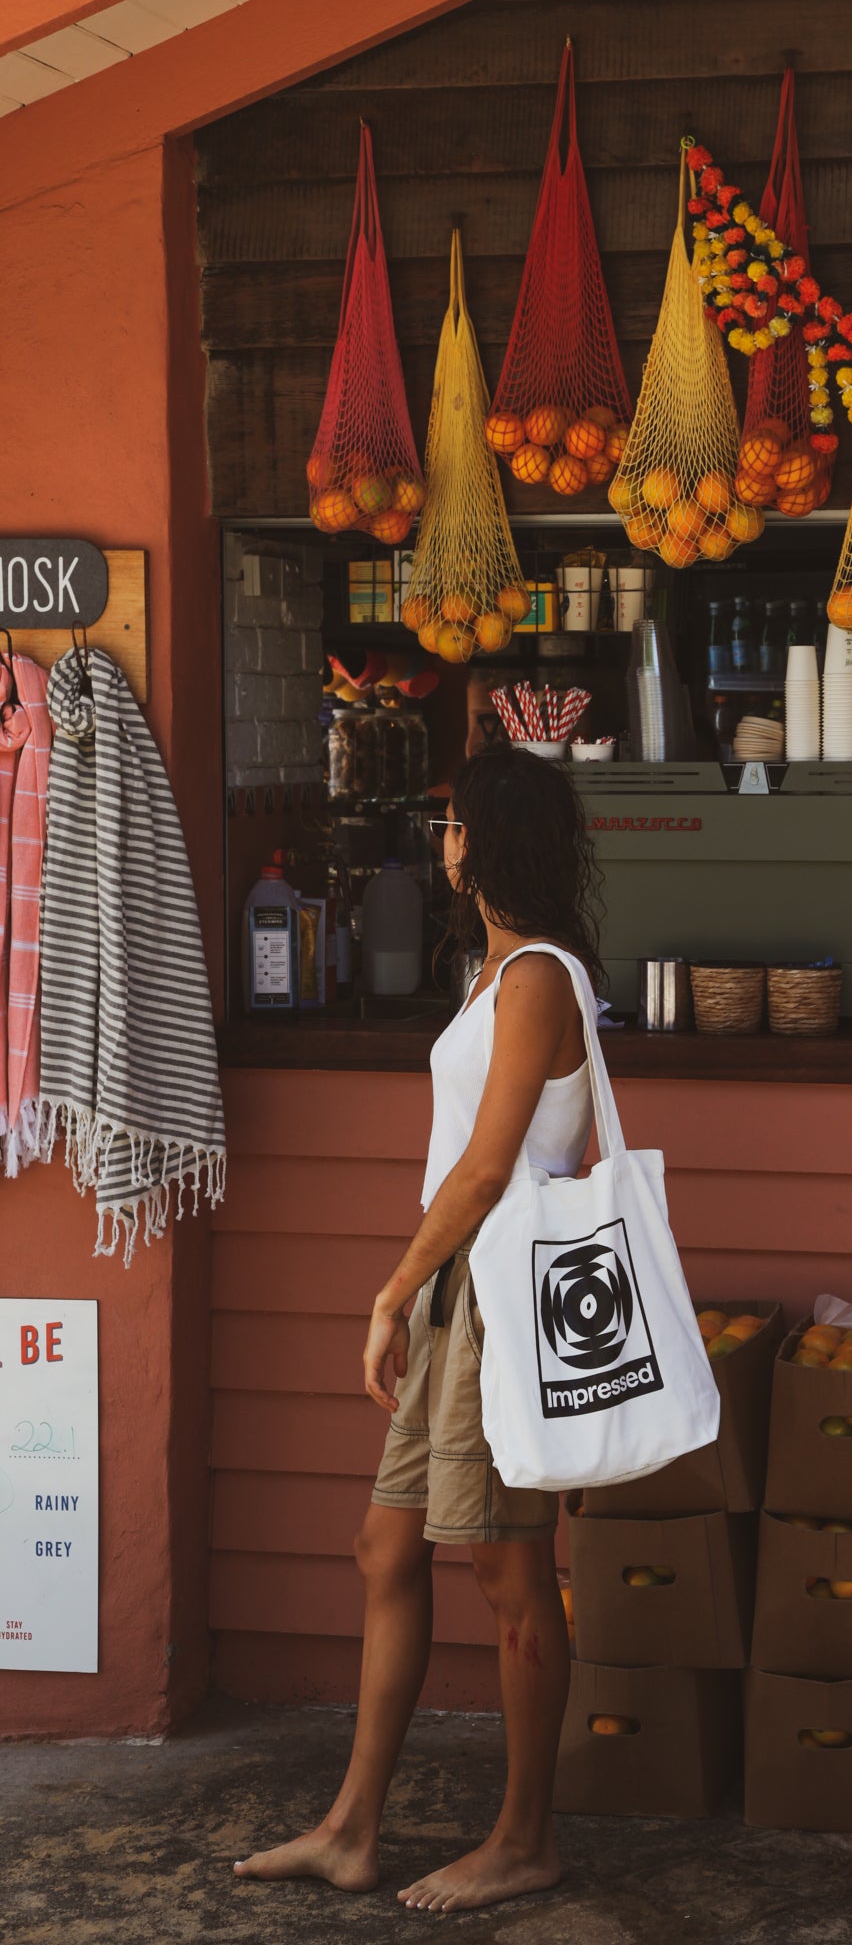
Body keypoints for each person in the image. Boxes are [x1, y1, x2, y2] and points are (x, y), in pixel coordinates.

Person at [236, 745, 602, 1914]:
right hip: (458, 1294)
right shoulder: (495, 973)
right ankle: (352, 1825)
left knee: (507, 1572)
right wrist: (416, 1289)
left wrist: (392, 1289)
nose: (442, 840)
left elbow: (492, 1169)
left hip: (490, 1299)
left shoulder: (542, 973)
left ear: (486, 843)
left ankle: (525, 1835)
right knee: (386, 1548)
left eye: (453, 825)